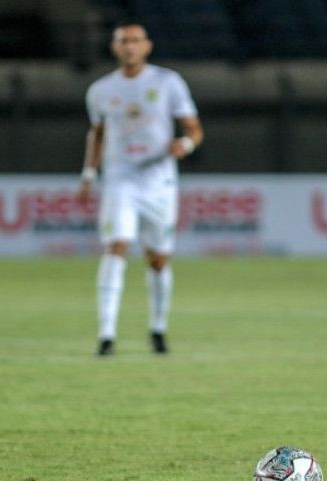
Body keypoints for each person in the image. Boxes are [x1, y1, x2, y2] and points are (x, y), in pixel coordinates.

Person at [77, 21, 203, 356]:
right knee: (115, 246)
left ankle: (158, 328)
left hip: (159, 181)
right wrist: (89, 174)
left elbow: (193, 128)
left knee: (158, 259)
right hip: (120, 179)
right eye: (123, 41)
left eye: (135, 41)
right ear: (114, 47)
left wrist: (186, 145)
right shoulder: (101, 90)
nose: (129, 46)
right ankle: (106, 336)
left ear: (147, 46)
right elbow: (98, 133)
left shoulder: (167, 82)